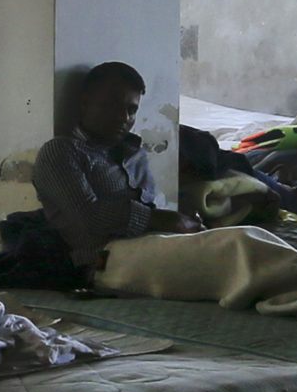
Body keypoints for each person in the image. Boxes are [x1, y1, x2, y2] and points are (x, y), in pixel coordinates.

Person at [33, 61, 198, 273]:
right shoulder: (61, 152)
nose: (124, 118)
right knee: (230, 249)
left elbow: (151, 212)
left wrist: (183, 223)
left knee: (228, 240)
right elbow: (89, 218)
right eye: (111, 106)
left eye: (131, 110)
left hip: (150, 250)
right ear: (85, 103)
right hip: (100, 263)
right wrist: (162, 219)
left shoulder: (134, 154)